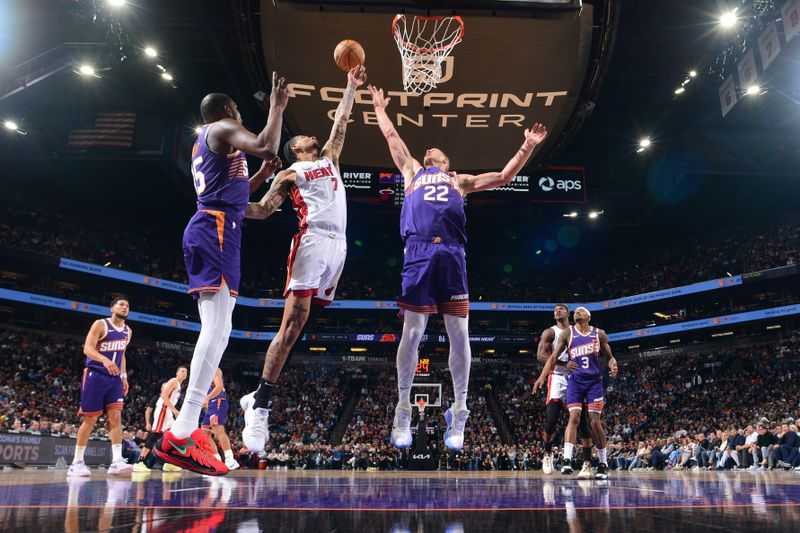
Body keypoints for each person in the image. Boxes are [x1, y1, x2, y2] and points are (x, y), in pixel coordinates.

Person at [367, 84, 548, 452]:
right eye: (427, 149)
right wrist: (380, 108)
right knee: (413, 331)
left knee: (459, 334)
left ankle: (460, 409)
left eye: (436, 150)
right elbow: (390, 135)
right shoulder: (412, 170)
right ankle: (403, 407)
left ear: (446, 162)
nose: (428, 148)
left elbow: (504, 177)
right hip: (417, 253)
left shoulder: (459, 180)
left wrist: (527, 145)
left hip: (452, 255)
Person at [154, 73, 290, 475]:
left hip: (221, 226)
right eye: (238, 112)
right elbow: (265, 142)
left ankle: (184, 426)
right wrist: (278, 107)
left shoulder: (213, 146)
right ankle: (181, 430)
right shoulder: (221, 127)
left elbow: (241, 201)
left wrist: (264, 176)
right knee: (215, 327)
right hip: (212, 230)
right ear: (229, 111)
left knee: (222, 328)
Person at [240, 66, 367, 452]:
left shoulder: (329, 157)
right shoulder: (291, 174)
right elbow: (261, 210)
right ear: (295, 148)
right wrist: (222, 203)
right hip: (311, 242)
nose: (314, 135)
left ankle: (257, 398)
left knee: (303, 327)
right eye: (304, 137)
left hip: (339, 246)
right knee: (292, 326)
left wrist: (351, 85)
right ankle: (260, 403)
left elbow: (342, 121)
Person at [534, 306, 618, 480]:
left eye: (581, 311)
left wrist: (613, 365)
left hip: (593, 382)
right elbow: (547, 357)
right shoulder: (560, 333)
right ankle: (558, 457)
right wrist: (543, 376)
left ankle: (595, 463)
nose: (577, 313)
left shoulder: (598, 334)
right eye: (576, 311)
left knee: (592, 423)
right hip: (569, 379)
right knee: (562, 418)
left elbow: (610, 356)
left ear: (588, 316)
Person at [68, 297, 133, 477]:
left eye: (127, 306)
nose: (124, 307)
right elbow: (87, 349)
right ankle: (76, 462)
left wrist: (124, 375)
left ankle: (116, 461)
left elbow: (122, 355)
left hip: (114, 379)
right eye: (121, 304)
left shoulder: (128, 331)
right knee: (90, 419)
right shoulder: (100, 324)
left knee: (116, 417)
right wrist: (104, 359)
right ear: (112, 308)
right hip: (95, 375)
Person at [537, 304, 594, 478]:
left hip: (576, 378)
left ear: (568, 313)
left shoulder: (576, 330)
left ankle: (587, 462)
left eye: (561, 309)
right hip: (557, 377)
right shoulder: (550, 332)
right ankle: (547, 455)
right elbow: (540, 356)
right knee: (551, 420)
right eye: (555, 309)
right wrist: (562, 364)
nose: (558, 310)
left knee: (583, 421)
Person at [201, 368, 239, 471]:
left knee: (218, 431)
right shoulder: (203, 372)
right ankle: (216, 461)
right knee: (204, 434)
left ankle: (230, 460)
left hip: (218, 401)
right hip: (210, 404)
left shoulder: (214, 369)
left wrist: (207, 398)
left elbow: (219, 387)